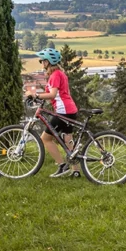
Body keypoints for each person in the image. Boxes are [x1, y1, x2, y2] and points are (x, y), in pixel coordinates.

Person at [24, 47, 79, 178]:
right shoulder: (60, 74)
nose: (42, 63)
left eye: (42, 60)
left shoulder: (55, 75)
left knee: (45, 138)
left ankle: (62, 166)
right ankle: (75, 171)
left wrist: (35, 95)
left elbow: (53, 94)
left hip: (63, 111)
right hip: (70, 109)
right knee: (68, 140)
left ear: (48, 62)